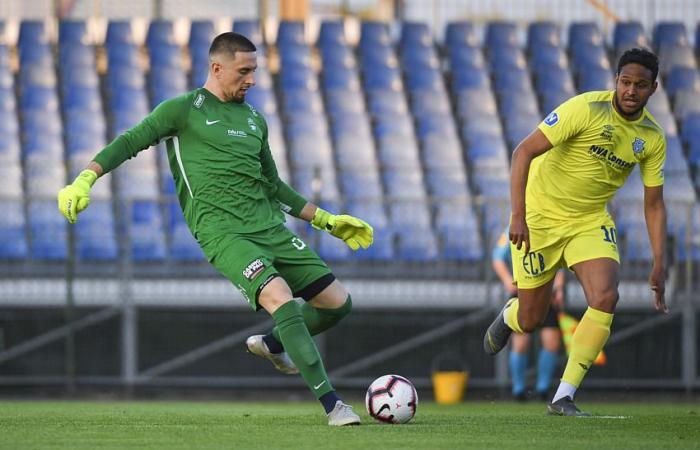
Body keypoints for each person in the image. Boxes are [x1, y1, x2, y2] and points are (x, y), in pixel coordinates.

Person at [57, 32, 373, 426]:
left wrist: (326, 220)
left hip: (269, 228)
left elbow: (272, 185)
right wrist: (85, 179)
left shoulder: (255, 119)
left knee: (338, 303)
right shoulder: (184, 109)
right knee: (280, 297)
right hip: (224, 234)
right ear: (217, 67)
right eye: (244, 71)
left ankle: (275, 344)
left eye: (254, 71)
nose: (252, 80)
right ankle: (334, 406)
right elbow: (130, 140)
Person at [483, 47, 668, 416]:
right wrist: (517, 216)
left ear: (654, 89)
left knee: (605, 296)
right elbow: (523, 153)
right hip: (539, 219)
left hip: (589, 221)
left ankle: (562, 396)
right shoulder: (584, 108)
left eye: (640, 85)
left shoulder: (652, 138)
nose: (631, 91)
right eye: (626, 82)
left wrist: (659, 260)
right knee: (531, 320)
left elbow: (654, 204)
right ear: (616, 81)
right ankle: (510, 316)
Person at [492, 229, 565, 401]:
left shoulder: (551, 225)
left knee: (552, 341)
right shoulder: (511, 228)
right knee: (521, 342)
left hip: (548, 292)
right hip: (523, 290)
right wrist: (508, 281)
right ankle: (518, 390)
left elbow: (559, 261)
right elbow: (497, 258)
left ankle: (543, 389)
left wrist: (559, 288)